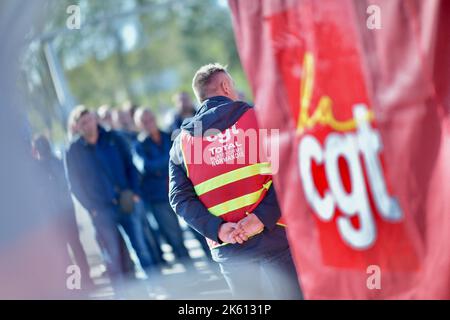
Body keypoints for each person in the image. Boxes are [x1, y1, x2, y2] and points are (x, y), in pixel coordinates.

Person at [168, 63, 303, 299]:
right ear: (225, 86)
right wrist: (261, 218)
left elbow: (179, 198)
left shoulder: (180, 144)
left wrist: (218, 229)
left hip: (229, 249)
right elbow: (291, 172)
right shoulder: (260, 119)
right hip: (275, 236)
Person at [65, 106, 156, 293]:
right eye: (83, 123)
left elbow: (130, 165)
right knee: (112, 256)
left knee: (141, 249)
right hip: (101, 211)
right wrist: (91, 208)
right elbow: (75, 185)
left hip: (127, 202)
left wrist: (135, 192)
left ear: (95, 120)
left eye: (90, 120)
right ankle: (122, 294)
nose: (88, 125)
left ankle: (155, 289)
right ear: (77, 126)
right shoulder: (73, 150)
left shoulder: (114, 138)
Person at [32, 135, 93, 290]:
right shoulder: (57, 163)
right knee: (74, 247)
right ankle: (83, 280)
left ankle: (77, 283)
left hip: (57, 214)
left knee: (66, 249)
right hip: (64, 211)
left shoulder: (42, 167)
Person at [134, 107, 192, 266]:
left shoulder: (169, 136)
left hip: (183, 191)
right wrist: (170, 160)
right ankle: (191, 274)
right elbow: (146, 167)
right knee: (175, 238)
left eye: (150, 119)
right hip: (159, 198)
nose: (149, 123)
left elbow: (183, 155)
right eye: (144, 121)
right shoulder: (139, 146)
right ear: (139, 125)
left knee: (197, 230)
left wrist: (162, 165)